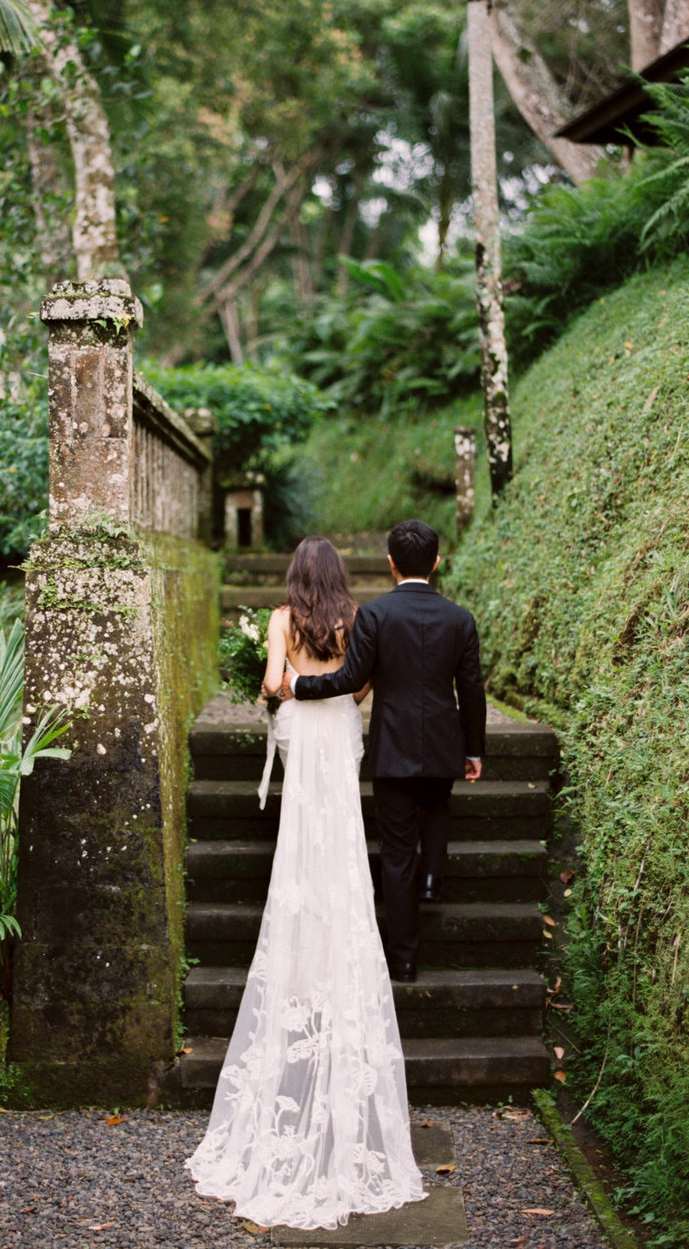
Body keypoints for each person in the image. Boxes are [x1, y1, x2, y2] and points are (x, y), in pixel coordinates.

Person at [187, 537, 426, 1230]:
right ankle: (335, 928)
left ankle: (304, 929)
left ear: (295, 576)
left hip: (300, 724)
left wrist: (284, 682)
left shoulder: (282, 617)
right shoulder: (357, 615)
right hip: (339, 728)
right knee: (342, 831)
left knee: (304, 831)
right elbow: (362, 685)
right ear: (340, 577)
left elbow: (269, 684)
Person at [283, 519, 486, 984]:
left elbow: (351, 680)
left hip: (393, 746)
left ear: (391, 563)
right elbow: (471, 691)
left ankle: (404, 959)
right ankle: (433, 878)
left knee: (396, 855)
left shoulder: (374, 616)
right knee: (437, 807)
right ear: (436, 563)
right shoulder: (460, 619)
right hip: (442, 742)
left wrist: (300, 685)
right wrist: (473, 748)